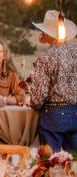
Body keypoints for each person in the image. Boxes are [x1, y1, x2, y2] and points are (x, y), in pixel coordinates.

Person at [28, 10, 77, 152]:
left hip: (53, 117)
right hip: (75, 114)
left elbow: (38, 98)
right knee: (74, 165)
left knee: (49, 164)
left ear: (49, 34)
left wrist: (34, 104)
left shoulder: (46, 58)